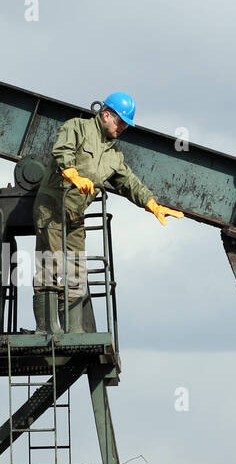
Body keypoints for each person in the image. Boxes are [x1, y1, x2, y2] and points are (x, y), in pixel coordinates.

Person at [32, 92, 184, 333]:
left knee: (75, 271)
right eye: (121, 122)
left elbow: (130, 182)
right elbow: (63, 151)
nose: (123, 128)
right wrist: (71, 173)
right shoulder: (77, 127)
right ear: (106, 115)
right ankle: (47, 328)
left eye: (126, 124)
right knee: (51, 264)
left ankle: (73, 329)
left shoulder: (114, 155)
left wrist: (152, 204)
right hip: (52, 208)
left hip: (75, 216)